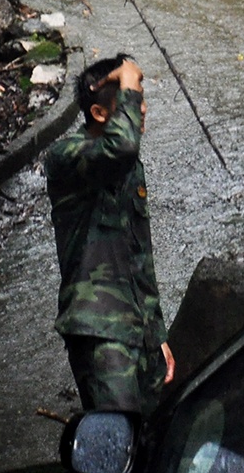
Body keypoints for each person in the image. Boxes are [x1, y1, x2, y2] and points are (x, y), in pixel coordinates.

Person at [45, 54, 175, 417]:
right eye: (133, 99)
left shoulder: (129, 169)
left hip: (138, 331)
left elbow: (139, 258)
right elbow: (121, 145)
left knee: (149, 442)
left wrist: (157, 335)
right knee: (117, 439)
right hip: (99, 332)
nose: (142, 107)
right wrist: (129, 78)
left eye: (141, 97)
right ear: (100, 114)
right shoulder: (65, 156)